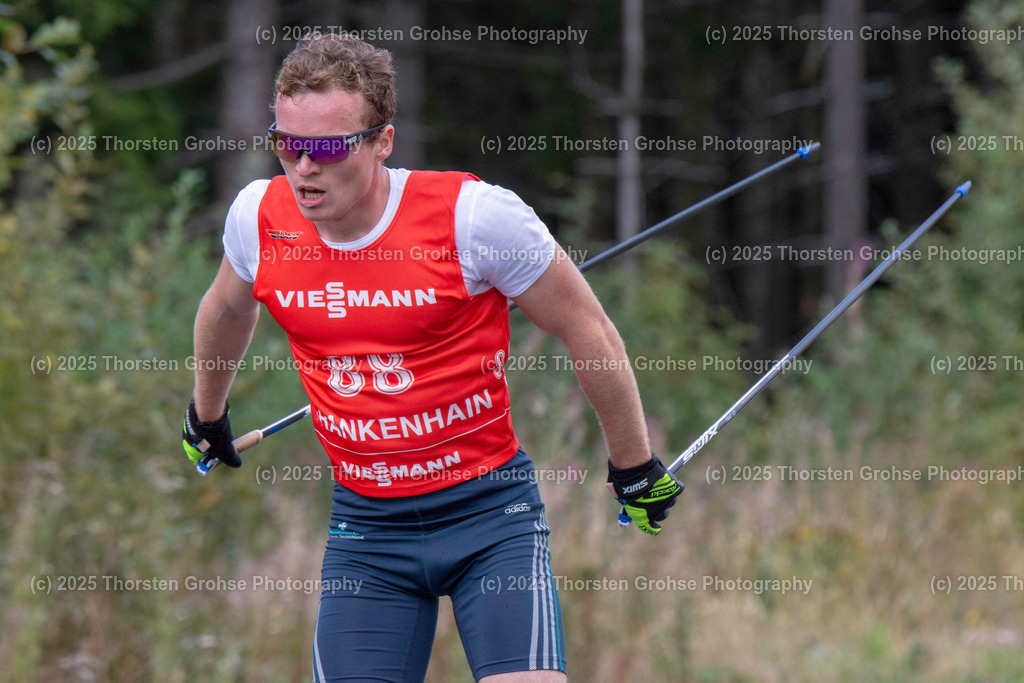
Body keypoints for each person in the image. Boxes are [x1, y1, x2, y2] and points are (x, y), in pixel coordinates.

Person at [182, 34, 682, 683]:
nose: (304, 166)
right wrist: (207, 412)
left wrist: (633, 462)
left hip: (489, 519)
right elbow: (226, 308)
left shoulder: (474, 218)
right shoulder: (259, 217)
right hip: (368, 534)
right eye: (287, 143)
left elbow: (589, 330)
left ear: (382, 141)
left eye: (329, 146)